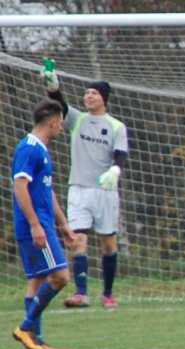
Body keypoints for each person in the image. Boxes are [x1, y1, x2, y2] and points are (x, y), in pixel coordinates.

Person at [41, 59, 128, 309]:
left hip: (105, 192)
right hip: (78, 189)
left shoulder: (116, 126)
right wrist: (52, 84)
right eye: (87, 92)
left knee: (108, 243)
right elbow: (59, 103)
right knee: (77, 240)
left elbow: (121, 153)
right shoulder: (77, 119)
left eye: (94, 93)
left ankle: (108, 294)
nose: (88, 96)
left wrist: (115, 169)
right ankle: (81, 293)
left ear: (104, 98)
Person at [11, 99, 75, 349]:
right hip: (35, 226)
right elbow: (20, 188)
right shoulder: (29, 149)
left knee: (36, 280)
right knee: (60, 277)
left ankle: (35, 342)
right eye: (60, 123)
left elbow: (47, 193)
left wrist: (64, 224)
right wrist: (36, 225)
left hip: (45, 223)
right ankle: (26, 327)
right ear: (52, 122)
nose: (62, 127)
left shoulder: (42, 149)